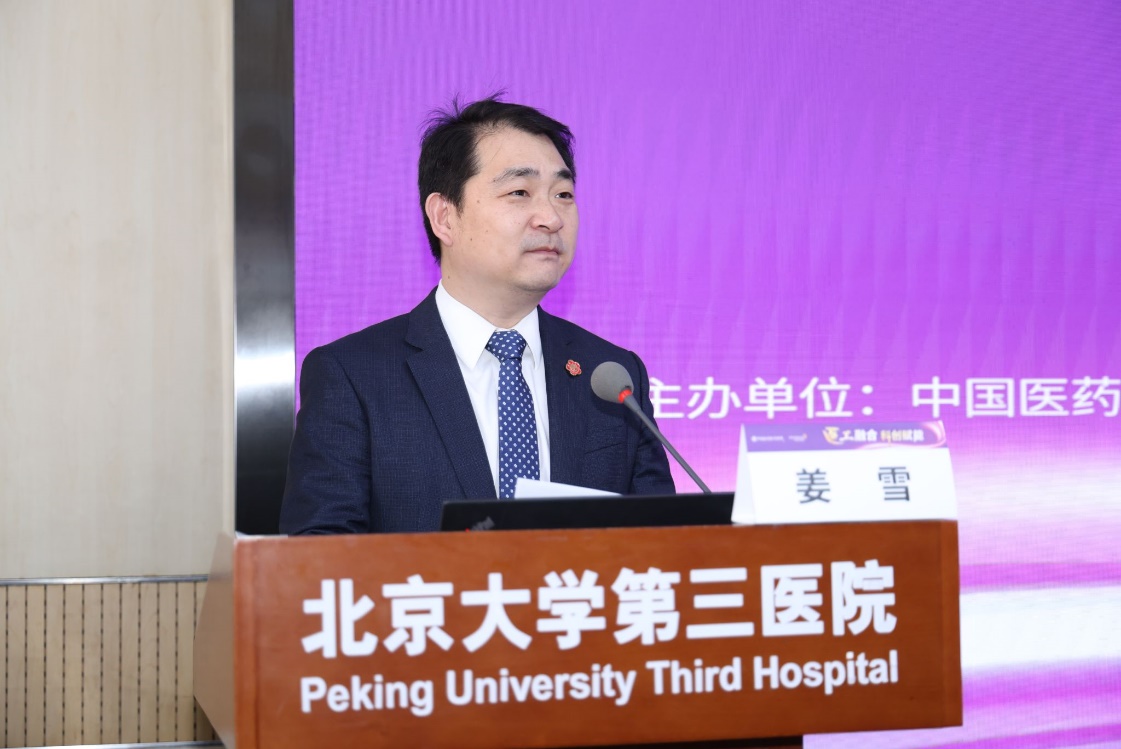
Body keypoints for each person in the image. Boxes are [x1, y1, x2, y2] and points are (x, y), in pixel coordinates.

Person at [280, 97, 674, 534]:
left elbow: (664, 541)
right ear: (444, 217)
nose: (551, 218)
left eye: (563, 195)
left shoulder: (612, 375)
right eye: (519, 193)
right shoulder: (353, 375)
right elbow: (320, 553)